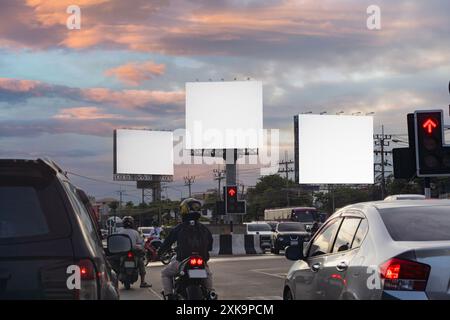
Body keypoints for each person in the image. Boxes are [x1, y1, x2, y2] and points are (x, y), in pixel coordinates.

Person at [158, 198, 213, 300]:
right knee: (208, 273)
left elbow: (167, 242)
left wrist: (160, 252)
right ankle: (211, 293)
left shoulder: (179, 228)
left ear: (184, 210)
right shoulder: (204, 229)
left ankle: (169, 295)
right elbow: (210, 246)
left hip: (182, 261)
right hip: (201, 261)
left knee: (165, 273)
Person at [119, 216, 151, 288]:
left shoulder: (120, 232)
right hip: (134, 252)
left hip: (123, 252)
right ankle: (142, 282)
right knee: (141, 264)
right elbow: (140, 243)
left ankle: (113, 281)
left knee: (115, 263)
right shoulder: (135, 232)